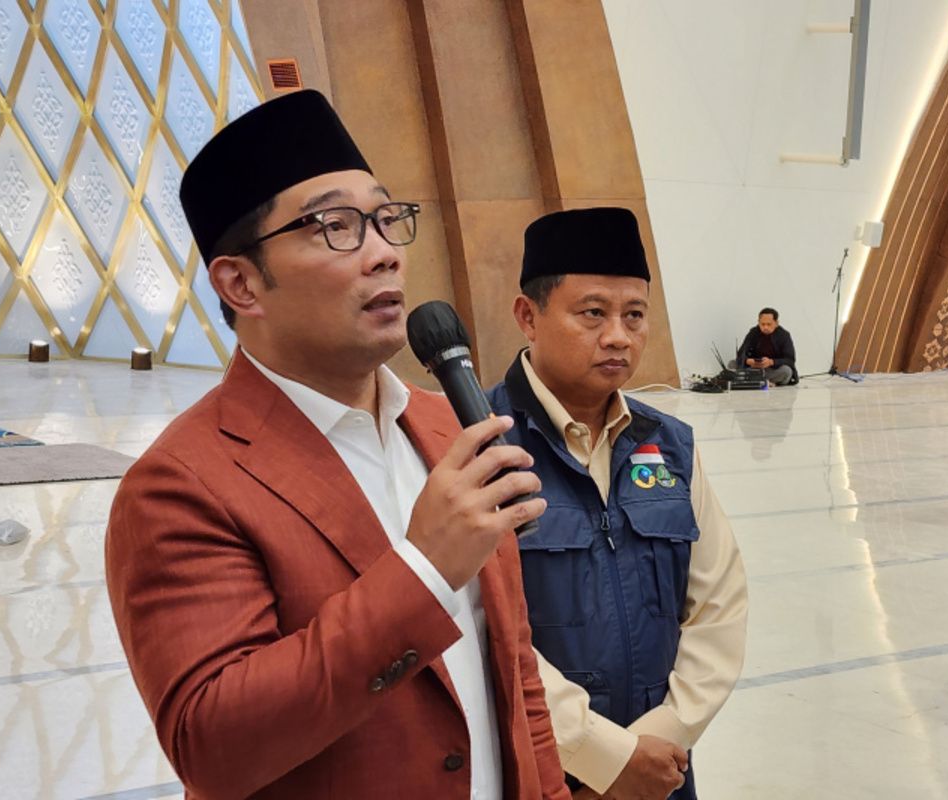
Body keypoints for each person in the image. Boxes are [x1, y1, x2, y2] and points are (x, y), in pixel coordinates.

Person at [104, 90, 570, 799]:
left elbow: (516, 676)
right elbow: (214, 745)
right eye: (335, 226)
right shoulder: (182, 483)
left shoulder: (447, 427)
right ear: (241, 283)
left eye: (386, 220)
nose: (384, 254)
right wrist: (422, 568)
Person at [486, 208, 749, 800]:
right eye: (593, 313)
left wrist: (656, 745)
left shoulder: (670, 445)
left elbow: (719, 605)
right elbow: (484, 628)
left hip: (660, 771)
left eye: (635, 315)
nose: (618, 336)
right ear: (528, 316)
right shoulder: (479, 442)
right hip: (541, 771)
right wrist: (600, 758)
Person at [737, 308, 797, 385]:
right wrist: (747, 361)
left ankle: (755, 380)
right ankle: (764, 381)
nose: (765, 327)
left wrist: (771, 362)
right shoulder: (753, 332)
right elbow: (741, 353)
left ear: (776, 323)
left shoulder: (784, 335)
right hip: (755, 368)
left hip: (772, 369)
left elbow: (790, 360)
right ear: (758, 322)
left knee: (786, 371)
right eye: (762, 324)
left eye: (769, 324)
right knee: (732, 364)